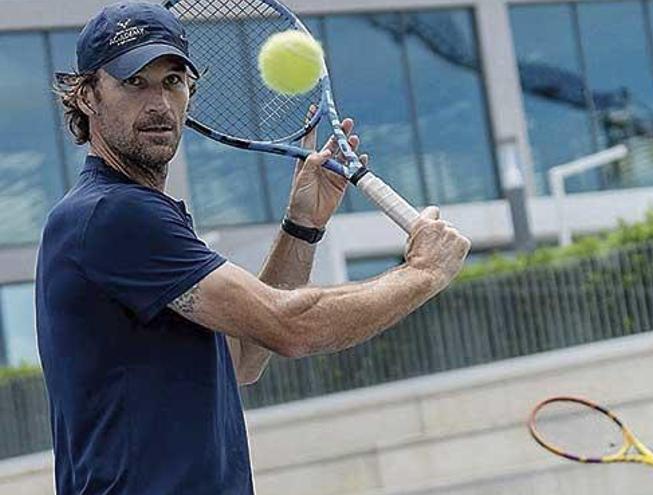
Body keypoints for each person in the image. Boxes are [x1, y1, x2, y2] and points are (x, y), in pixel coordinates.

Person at [36, 2, 470, 493]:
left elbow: (244, 358)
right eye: (135, 82)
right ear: (89, 96)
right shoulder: (113, 215)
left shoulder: (129, 217)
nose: (158, 103)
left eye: (173, 81)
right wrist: (423, 272)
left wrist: (301, 226)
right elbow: (291, 326)